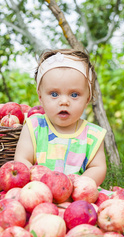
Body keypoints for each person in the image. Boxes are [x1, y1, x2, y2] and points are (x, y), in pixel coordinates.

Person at [14, 48, 107, 187]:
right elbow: (22, 160)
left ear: (87, 99)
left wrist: (76, 187)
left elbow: (98, 168)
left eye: (74, 95)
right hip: (38, 191)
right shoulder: (34, 127)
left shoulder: (92, 134)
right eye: (54, 94)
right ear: (41, 97)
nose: (64, 101)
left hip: (77, 198)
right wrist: (40, 183)